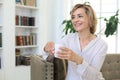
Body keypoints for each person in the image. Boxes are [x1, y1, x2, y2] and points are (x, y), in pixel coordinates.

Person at [43, 3, 108, 80]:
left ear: (90, 19)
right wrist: (47, 49)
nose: (75, 20)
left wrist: (78, 59)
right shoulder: (68, 39)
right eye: (73, 17)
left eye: (80, 16)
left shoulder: (101, 45)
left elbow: (93, 76)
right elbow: (48, 56)